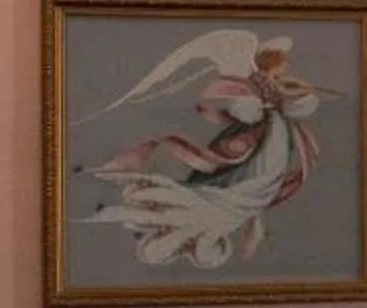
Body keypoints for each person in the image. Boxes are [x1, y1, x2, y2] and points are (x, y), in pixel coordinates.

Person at [81, 31, 325, 269]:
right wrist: (262, 104)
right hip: (258, 135)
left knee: (264, 173)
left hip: (272, 135)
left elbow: (291, 104)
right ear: (272, 63)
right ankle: (214, 201)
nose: (287, 65)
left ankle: (224, 203)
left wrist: (294, 97)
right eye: (283, 61)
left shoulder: (275, 90)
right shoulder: (255, 82)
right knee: (249, 175)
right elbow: (244, 109)